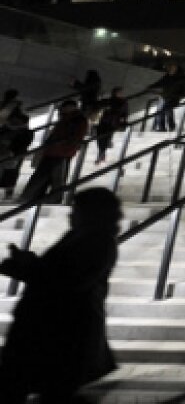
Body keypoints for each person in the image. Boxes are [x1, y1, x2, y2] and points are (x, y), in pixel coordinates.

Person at [0, 188, 121, 401]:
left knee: (44, 388)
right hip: (47, 326)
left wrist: (28, 267)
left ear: (93, 213)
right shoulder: (78, 236)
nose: (71, 214)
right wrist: (25, 264)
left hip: (63, 330)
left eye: (77, 210)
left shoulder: (98, 242)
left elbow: (69, 280)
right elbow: (56, 272)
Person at [20, 100, 89, 204]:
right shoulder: (65, 118)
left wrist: (67, 146)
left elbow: (77, 136)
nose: (63, 109)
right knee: (44, 175)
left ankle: (44, 197)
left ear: (72, 107)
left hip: (62, 152)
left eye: (65, 108)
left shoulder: (77, 119)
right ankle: (33, 196)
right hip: (54, 150)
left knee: (55, 177)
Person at [150, 62, 185, 132]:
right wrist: (152, 86)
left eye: (173, 68)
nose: (171, 70)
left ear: (176, 68)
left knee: (163, 111)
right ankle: (170, 126)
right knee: (167, 111)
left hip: (174, 98)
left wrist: (181, 95)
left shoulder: (182, 78)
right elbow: (160, 82)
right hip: (166, 96)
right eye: (171, 68)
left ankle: (163, 127)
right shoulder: (168, 76)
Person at [94, 87, 128, 164]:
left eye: (121, 92)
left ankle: (101, 153)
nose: (120, 94)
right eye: (119, 92)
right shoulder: (109, 100)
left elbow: (124, 113)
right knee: (100, 137)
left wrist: (123, 122)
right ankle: (102, 152)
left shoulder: (123, 102)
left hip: (112, 122)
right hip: (104, 121)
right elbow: (99, 105)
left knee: (106, 138)